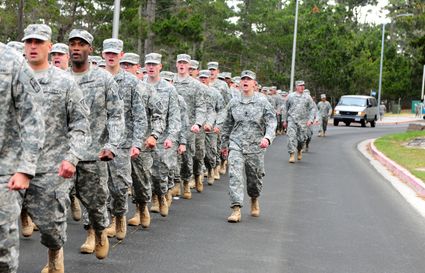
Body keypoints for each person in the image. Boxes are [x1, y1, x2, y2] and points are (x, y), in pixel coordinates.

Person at [22, 24, 91, 273]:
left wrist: (72, 158)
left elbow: (81, 125)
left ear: (50, 47)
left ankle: (54, 256)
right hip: (13, 165)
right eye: (28, 41)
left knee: (51, 227)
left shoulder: (65, 82)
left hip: (51, 167)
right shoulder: (10, 79)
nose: (32, 46)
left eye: (38, 42)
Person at [68, 29, 124, 259]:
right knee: (55, 207)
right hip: (65, 155)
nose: (76, 48)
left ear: (90, 49)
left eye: (82, 44)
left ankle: (98, 231)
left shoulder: (103, 79)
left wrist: (112, 145)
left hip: (94, 154)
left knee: (96, 204)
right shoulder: (60, 78)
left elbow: (116, 115)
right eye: (73, 43)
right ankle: (55, 258)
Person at [0, 41, 44, 273]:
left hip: (4, 169)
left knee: (3, 246)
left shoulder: (12, 61)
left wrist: (26, 168)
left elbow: (33, 118)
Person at [101, 38, 147, 241]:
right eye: (107, 53)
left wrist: (137, 143)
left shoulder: (131, 81)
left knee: (119, 186)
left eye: (115, 53)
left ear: (121, 55)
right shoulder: (96, 78)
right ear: (103, 55)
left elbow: (139, 115)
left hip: (123, 142)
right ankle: (107, 221)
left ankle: (119, 215)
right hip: (99, 141)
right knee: (99, 186)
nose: (111, 56)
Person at [220, 70, 276, 223]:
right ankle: (236, 208)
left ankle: (254, 198)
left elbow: (272, 122)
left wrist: (267, 138)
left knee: (254, 179)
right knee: (235, 176)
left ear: (254, 84)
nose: (245, 81)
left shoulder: (262, 101)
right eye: (243, 79)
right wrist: (224, 144)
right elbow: (227, 125)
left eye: (248, 79)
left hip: (256, 146)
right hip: (236, 144)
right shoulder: (234, 102)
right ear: (239, 83)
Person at [144, 53, 181, 216]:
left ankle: (163, 194)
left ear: (160, 67)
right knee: (146, 171)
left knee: (160, 171)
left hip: (163, 137)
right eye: (148, 64)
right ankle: (153, 198)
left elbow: (174, 115)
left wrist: (171, 137)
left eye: (154, 64)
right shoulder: (139, 85)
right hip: (144, 136)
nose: (151, 67)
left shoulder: (169, 88)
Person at [173, 54, 206, 199]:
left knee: (187, 156)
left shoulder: (196, 85)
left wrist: (198, 124)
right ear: (176, 64)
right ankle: (174, 184)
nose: (181, 65)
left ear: (189, 66)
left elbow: (201, 107)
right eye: (179, 62)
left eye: (184, 63)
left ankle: (186, 182)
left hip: (189, 126)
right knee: (171, 156)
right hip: (172, 125)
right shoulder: (170, 82)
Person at [198, 70, 225, 184]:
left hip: (211, 128)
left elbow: (222, 110)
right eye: (201, 78)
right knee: (197, 153)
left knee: (211, 152)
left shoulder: (215, 93)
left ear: (210, 79)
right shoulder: (196, 91)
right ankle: (197, 175)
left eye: (205, 78)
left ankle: (210, 170)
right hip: (198, 127)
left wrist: (218, 124)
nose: (203, 80)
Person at [282, 80, 315, 163]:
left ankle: (299, 150)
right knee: (291, 137)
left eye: (303, 85)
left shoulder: (307, 97)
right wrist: (284, 120)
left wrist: (310, 120)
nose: (302, 87)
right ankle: (292, 154)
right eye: (300, 85)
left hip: (303, 121)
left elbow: (312, 108)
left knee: (301, 139)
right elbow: (285, 108)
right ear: (296, 87)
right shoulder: (290, 96)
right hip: (292, 120)